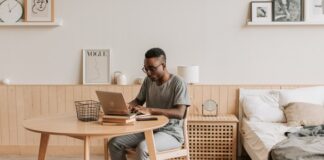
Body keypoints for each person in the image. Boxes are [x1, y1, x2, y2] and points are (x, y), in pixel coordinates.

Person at [108, 48, 190, 160]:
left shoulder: (178, 82)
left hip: (171, 134)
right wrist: (124, 106)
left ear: (164, 65)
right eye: (146, 69)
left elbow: (180, 113)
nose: (148, 73)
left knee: (143, 148)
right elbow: (138, 101)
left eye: (152, 68)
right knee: (114, 143)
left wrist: (150, 110)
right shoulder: (148, 81)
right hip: (149, 130)